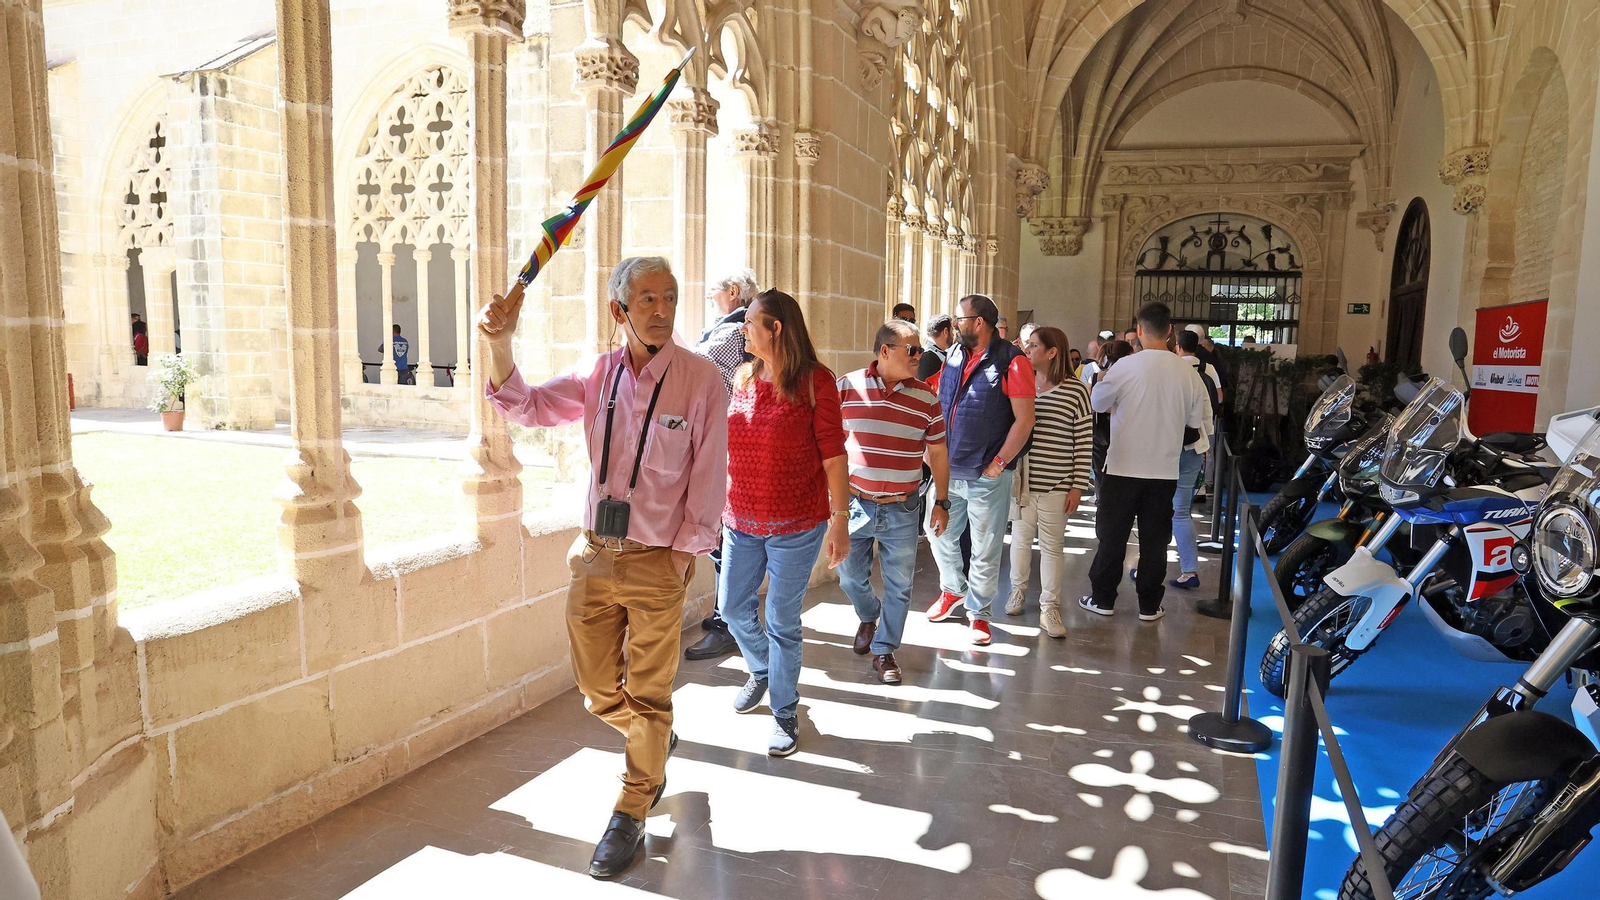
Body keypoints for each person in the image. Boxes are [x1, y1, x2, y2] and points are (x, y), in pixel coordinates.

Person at [477, 256, 728, 880]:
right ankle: (653, 738)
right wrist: (501, 343)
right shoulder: (598, 373)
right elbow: (523, 404)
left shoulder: (701, 381)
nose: (661, 309)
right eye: (646, 299)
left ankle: (631, 807)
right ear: (620, 311)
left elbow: (709, 474)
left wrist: (681, 558)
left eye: (668, 297)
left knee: (648, 690)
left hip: (656, 561)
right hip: (593, 555)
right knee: (595, 691)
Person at [720, 289, 850, 758]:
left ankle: (785, 710)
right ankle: (761, 668)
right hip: (741, 516)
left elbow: (835, 457)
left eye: (752, 321)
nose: (743, 328)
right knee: (732, 606)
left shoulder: (816, 381)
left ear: (776, 328)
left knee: (780, 617)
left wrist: (840, 520)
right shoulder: (741, 376)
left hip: (797, 520)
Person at [837, 319, 951, 683]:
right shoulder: (847, 387)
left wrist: (942, 501)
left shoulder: (926, 398)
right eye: (912, 350)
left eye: (919, 349)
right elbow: (828, 448)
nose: (920, 356)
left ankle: (884, 650)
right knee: (848, 576)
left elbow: (938, 452)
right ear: (885, 351)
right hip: (855, 503)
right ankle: (869, 616)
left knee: (900, 586)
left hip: (903, 505)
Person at [1081, 301, 1208, 622]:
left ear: (1138, 330)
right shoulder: (1188, 372)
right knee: (1155, 540)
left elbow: (1098, 402)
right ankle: (1150, 605)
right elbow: (1193, 422)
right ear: (1170, 331)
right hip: (1164, 470)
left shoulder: (1126, 366)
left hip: (1123, 467)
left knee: (1112, 536)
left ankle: (1103, 599)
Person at [924, 294, 1036, 646]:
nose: (954, 324)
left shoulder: (1013, 362)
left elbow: (1025, 419)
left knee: (985, 548)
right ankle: (953, 589)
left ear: (978, 323)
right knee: (937, 533)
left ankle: (980, 613)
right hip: (947, 469)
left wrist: (999, 463)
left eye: (960, 319)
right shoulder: (954, 355)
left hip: (987, 475)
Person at [683, 269, 759, 662]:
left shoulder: (732, 334)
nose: (710, 297)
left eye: (713, 290)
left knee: (726, 538)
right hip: (731, 444)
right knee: (727, 537)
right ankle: (732, 618)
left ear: (733, 292)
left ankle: (728, 622)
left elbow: (694, 373)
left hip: (726, 445)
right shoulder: (739, 329)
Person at [1006, 326, 1091, 638]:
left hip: (1057, 482)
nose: (1028, 350)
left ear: (1052, 352)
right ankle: (1017, 591)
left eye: (1034, 346)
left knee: (1053, 547)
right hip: (1023, 481)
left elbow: (1083, 440)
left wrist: (1078, 484)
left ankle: (1049, 606)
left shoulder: (1076, 390)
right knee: (1020, 540)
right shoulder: (1021, 384)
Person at [1170, 329, 1219, 590]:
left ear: (1177, 346)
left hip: (1165, 450)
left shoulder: (1170, 372)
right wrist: (1206, 445)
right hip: (1193, 447)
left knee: (1154, 509)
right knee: (1181, 511)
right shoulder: (1205, 371)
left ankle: (1146, 565)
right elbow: (1210, 410)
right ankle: (1189, 569)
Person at [1089, 339, 1134, 482]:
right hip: (1123, 431)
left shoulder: (1097, 376)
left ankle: (1100, 501)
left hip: (1100, 433)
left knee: (1101, 476)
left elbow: (1091, 401)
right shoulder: (1131, 377)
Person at [917, 314, 954, 384]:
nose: (953, 335)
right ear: (945, 332)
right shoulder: (928, 357)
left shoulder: (934, 354)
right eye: (951, 331)